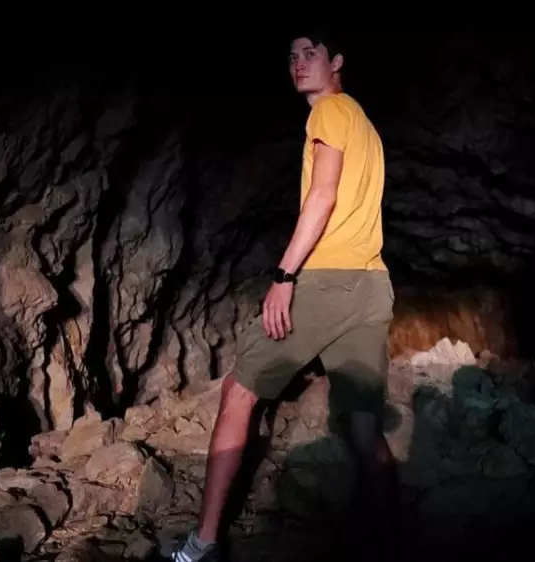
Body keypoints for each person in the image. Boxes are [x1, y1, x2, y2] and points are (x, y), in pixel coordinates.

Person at [167, 30, 399, 562]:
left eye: (310, 53)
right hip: (371, 284)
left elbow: (323, 194)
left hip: (327, 279)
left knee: (239, 391)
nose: (298, 63)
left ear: (336, 61)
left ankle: (202, 545)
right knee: (365, 426)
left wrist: (285, 275)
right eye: (292, 56)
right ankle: (393, 547)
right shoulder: (365, 124)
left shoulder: (329, 112)